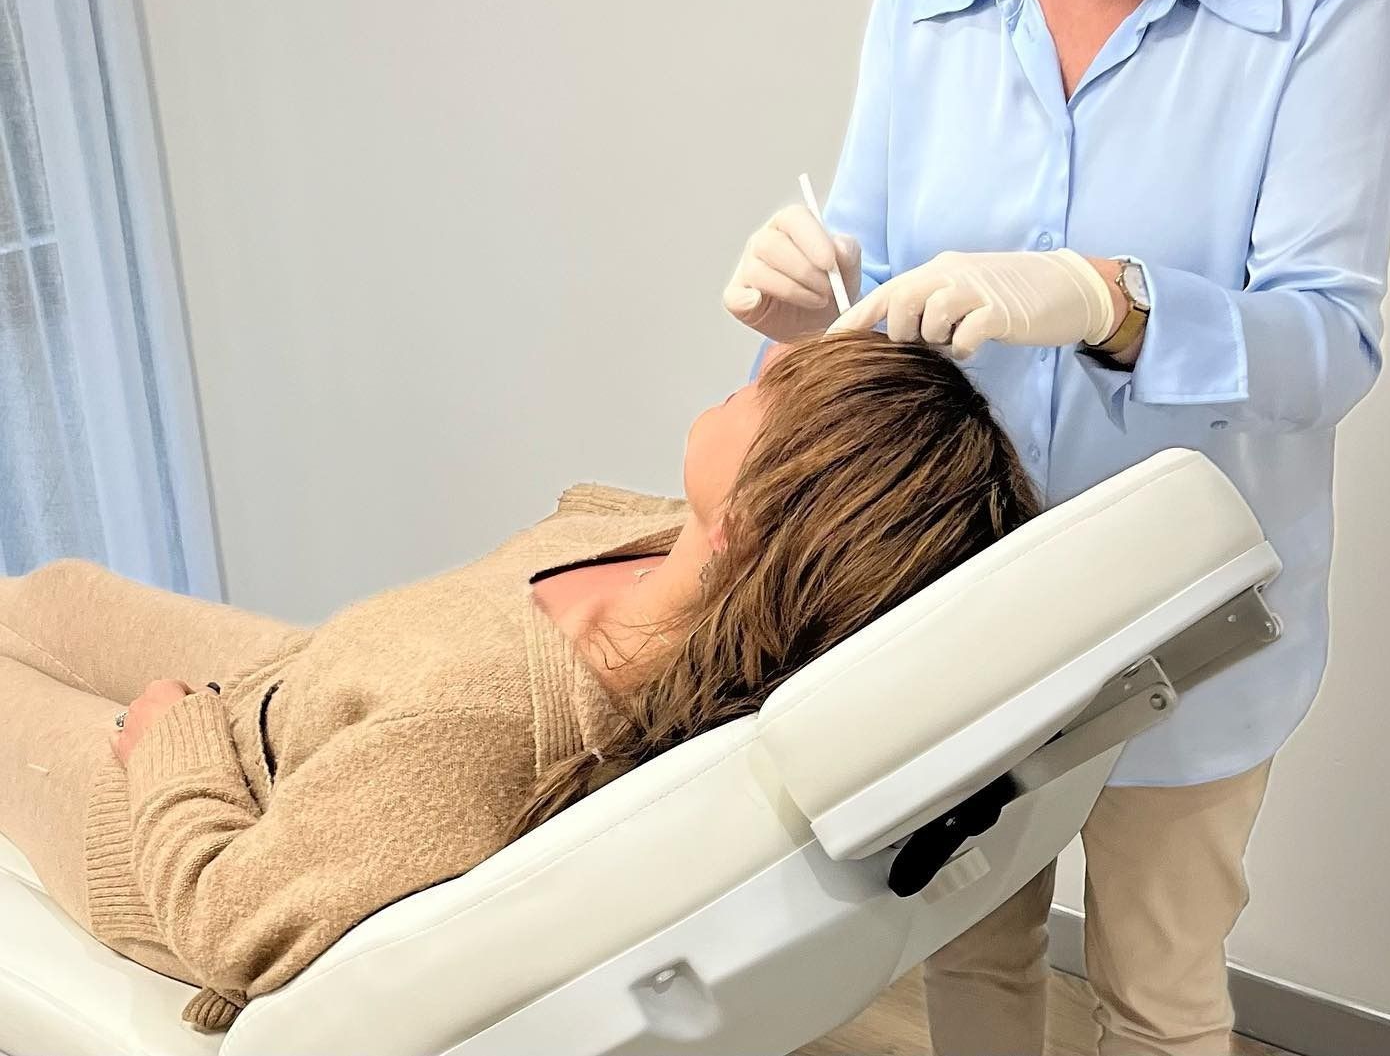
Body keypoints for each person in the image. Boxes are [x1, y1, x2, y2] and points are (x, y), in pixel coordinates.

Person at [723, 0, 1390, 1056]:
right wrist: (796, 314)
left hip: (1181, 621)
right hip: (958, 606)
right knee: (970, 966)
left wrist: (1112, 303)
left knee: (1163, 1001)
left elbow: (1333, 345)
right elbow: (876, 291)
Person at [0, 330, 1036, 1033]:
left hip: (209, 810)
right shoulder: (675, 555)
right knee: (54, 594)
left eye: (780, 390)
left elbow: (232, 921)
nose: (769, 364)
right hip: (313, 690)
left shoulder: (486, 729)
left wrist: (171, 746)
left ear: (759, 523)